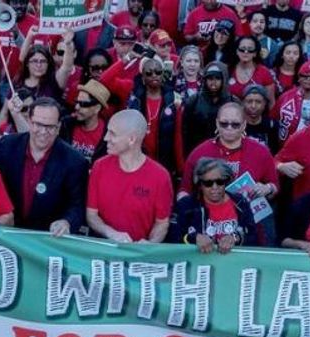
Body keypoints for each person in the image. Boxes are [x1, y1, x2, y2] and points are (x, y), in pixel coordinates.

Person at [0, 97, 88, 235]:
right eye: (38, 124)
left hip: (47, 242)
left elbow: (78, 206)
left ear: (58, 127)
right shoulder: (7, 145)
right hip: (6, 235)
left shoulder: (75, 161)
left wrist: (67, 222)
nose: (43, 132)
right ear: (30, 122)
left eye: (49, 127)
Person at [86, 110, 173, 243]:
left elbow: (162, 223)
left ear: (131, 139)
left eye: (112, 134)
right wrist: (111, 233)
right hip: (103, 251)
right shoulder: (99, 167)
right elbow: (91, 215)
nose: (105, 138)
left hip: (138, 256)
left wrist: (150, 243)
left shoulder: (160, 177)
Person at [180, 103, 278, 201]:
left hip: (250, 213)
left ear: (244, 125)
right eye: (224, 124)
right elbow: (184, 189)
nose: (229, 128)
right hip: (209, 213)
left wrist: (267, 188)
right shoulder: (200, 153)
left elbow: (275, 186)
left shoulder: (260, 151)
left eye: (235, 124)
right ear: (217, 123)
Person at [170, 158, 259, 252]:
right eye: (208, 183)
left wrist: (236, 237)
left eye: (220, 182)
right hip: (200, 261)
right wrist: (193, 238)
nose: (214, 187)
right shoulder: (186, 205)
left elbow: (253, 235)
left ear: (226, 181)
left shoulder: (240, 202)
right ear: (200, 185)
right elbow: (172, 236)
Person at [181, 62, 234, 155]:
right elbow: (185, 132)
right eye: (210, 78)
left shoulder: (232, 101)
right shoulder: (194, 101)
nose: (213, 82)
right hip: (199, 151)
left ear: (224, 79)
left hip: (226, 152)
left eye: (217, 78)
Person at [272, 59, 310, 143]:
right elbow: (273, 118)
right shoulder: (286, 97)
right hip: (285, 145)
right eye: (304, 76)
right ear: (299, 77)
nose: (308, 79)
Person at [61, 80, 109, 160]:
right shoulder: (66, 124)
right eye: (76, 102)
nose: (77, 107)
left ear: (97, 108)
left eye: (83, 104)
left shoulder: (108, 135)